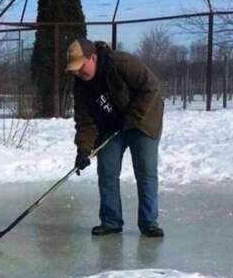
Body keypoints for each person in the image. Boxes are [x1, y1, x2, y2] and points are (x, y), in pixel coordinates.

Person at [66, 38, 164, 237]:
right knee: (107, 170)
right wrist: (83, 149)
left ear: (92, 57)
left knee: (145, 171)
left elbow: (151, 87)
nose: (78, 73)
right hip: (111, 127)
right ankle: (111, 221)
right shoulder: (81, 86)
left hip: (143, 121)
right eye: (74, 70)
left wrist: (132, 118)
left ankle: (149, 223)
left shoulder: (121, 63)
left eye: (80, 67)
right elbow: (85, 121)